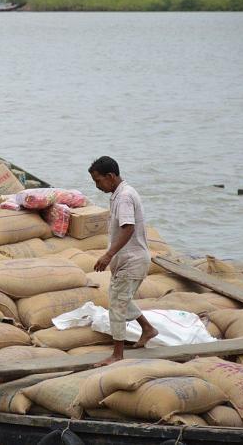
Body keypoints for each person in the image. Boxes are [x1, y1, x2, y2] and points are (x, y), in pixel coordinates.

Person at [90, 156, 158, 367]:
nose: (97, 186)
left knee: (117, 306)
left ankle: (117, 355)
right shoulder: (120, 194)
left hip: (133, 261)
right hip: (129, 260)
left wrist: (108, 255)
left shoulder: (125, 197)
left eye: (98, 181)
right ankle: (147, 329)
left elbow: (128, 228)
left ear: (110, 177)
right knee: (119, 298)